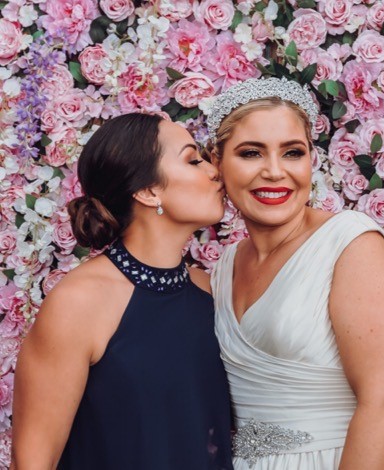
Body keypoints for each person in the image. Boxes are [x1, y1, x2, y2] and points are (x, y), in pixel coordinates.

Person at [207, 78, 384, 469]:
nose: (274, 171)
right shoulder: (222, 268)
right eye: (251, 153)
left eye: (292, 152)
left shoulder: (348, 243)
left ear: (311, 159)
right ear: (217, 162)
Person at [11, 113, 233, 470]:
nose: (213, 171)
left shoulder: (207, 289)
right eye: (193, 160)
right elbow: (33, 462)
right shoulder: (79, 302)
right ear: (148, 191)